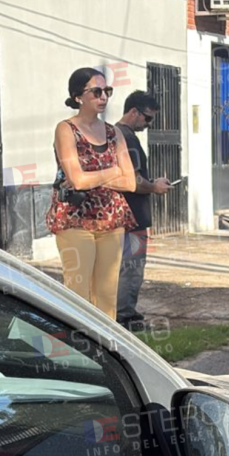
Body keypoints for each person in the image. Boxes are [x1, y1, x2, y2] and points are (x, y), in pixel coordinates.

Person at [46, 67, 137, 320]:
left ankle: (105, 350)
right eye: (96, 91)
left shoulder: (113, 132)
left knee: (107, 294)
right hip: (75, 218)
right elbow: (76, 179)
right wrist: (112, 171)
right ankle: (77, 348)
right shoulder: (66, 129)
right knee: (77, 290)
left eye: (107, 91)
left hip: (111, 218)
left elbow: (130, 182)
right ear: (78, 97)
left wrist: (93, 178)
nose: (103, 97)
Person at [115, 90, 172, 327]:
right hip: (133, 218)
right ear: (133, 112)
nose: (149, 124)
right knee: (132, 269)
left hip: (119, 216)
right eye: (147, 118)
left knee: (120, 269)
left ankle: (119, 314)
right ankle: (126, 317)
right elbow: (133, 181)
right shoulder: (127, 138)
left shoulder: (113, 135)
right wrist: (155, 186)